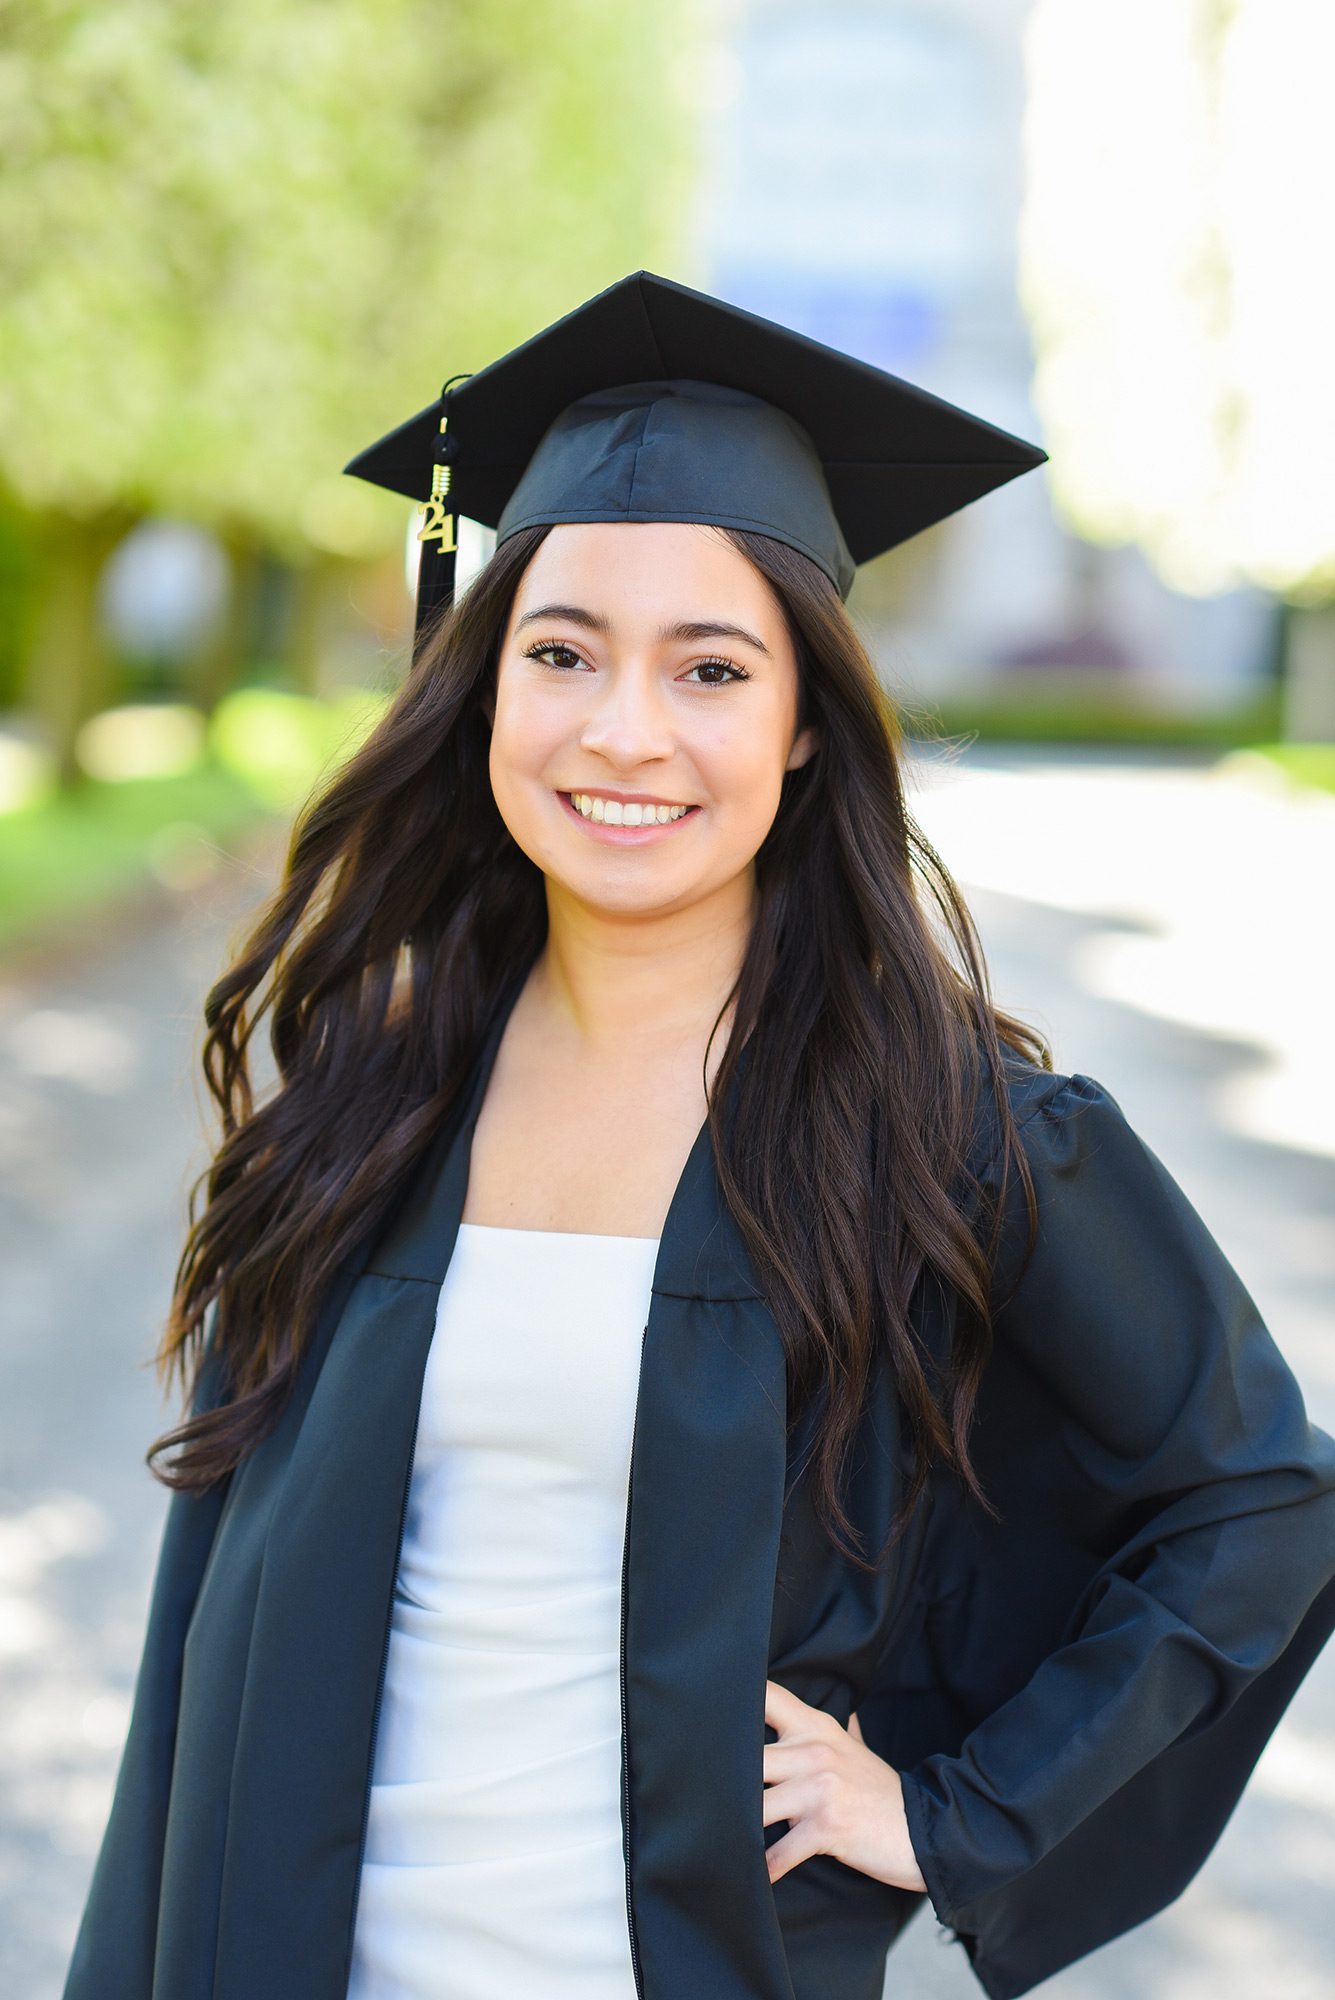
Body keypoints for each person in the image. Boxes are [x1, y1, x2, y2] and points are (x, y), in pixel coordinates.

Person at [63, 272, 1335, 2000]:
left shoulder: (946, 1136)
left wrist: (957, 1813)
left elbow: (1260, 1496)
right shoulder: (370, 1101)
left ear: (806, 723)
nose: (624, 731)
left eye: (711, 668)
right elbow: (197, 1670)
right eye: (562, 652)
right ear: (483, 684)